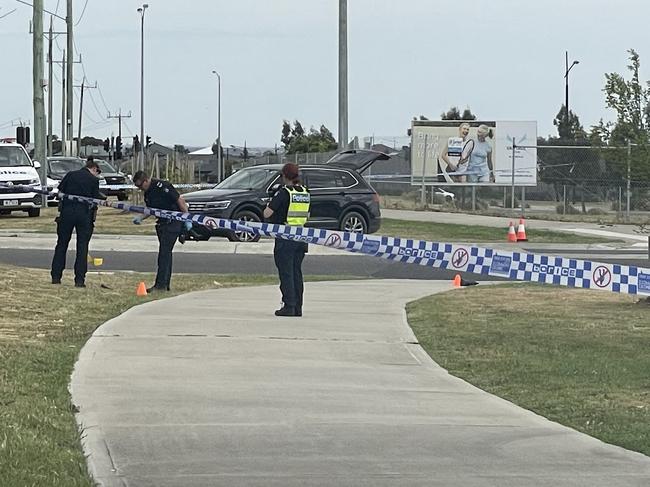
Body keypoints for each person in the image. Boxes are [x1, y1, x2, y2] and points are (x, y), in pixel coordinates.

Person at [263, 163, 310, 317]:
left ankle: (289, 306)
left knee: (286, 273)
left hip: (285, 237)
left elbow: (267, 214)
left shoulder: (284, 193)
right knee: (297, 272)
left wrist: (269, 204)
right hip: (301, 237)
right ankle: (298, 307)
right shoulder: (305, 192)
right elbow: (308, 215)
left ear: (284, 176)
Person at [51, 157, 106, 287]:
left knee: (61, 244)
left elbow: (60, 192)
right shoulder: (93, 180)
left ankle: (56, 276)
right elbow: (95, 199)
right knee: (82, 247)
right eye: (98, 172)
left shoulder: (70, 175)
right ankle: (79, 280)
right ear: (93, 168)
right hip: (84, 214)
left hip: (67, 212)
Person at [132, 170, 190, 293]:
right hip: (162, 224)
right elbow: (151, 209)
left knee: (164, 254)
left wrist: (187, 218)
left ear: (146, 180)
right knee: (166, 254)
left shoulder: (163, 186)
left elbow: (180, 200)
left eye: (140, 185)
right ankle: (165, 284)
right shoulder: (148, 193)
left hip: (173, 222)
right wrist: (141, 217)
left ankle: (160, 285)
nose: (140, 189)